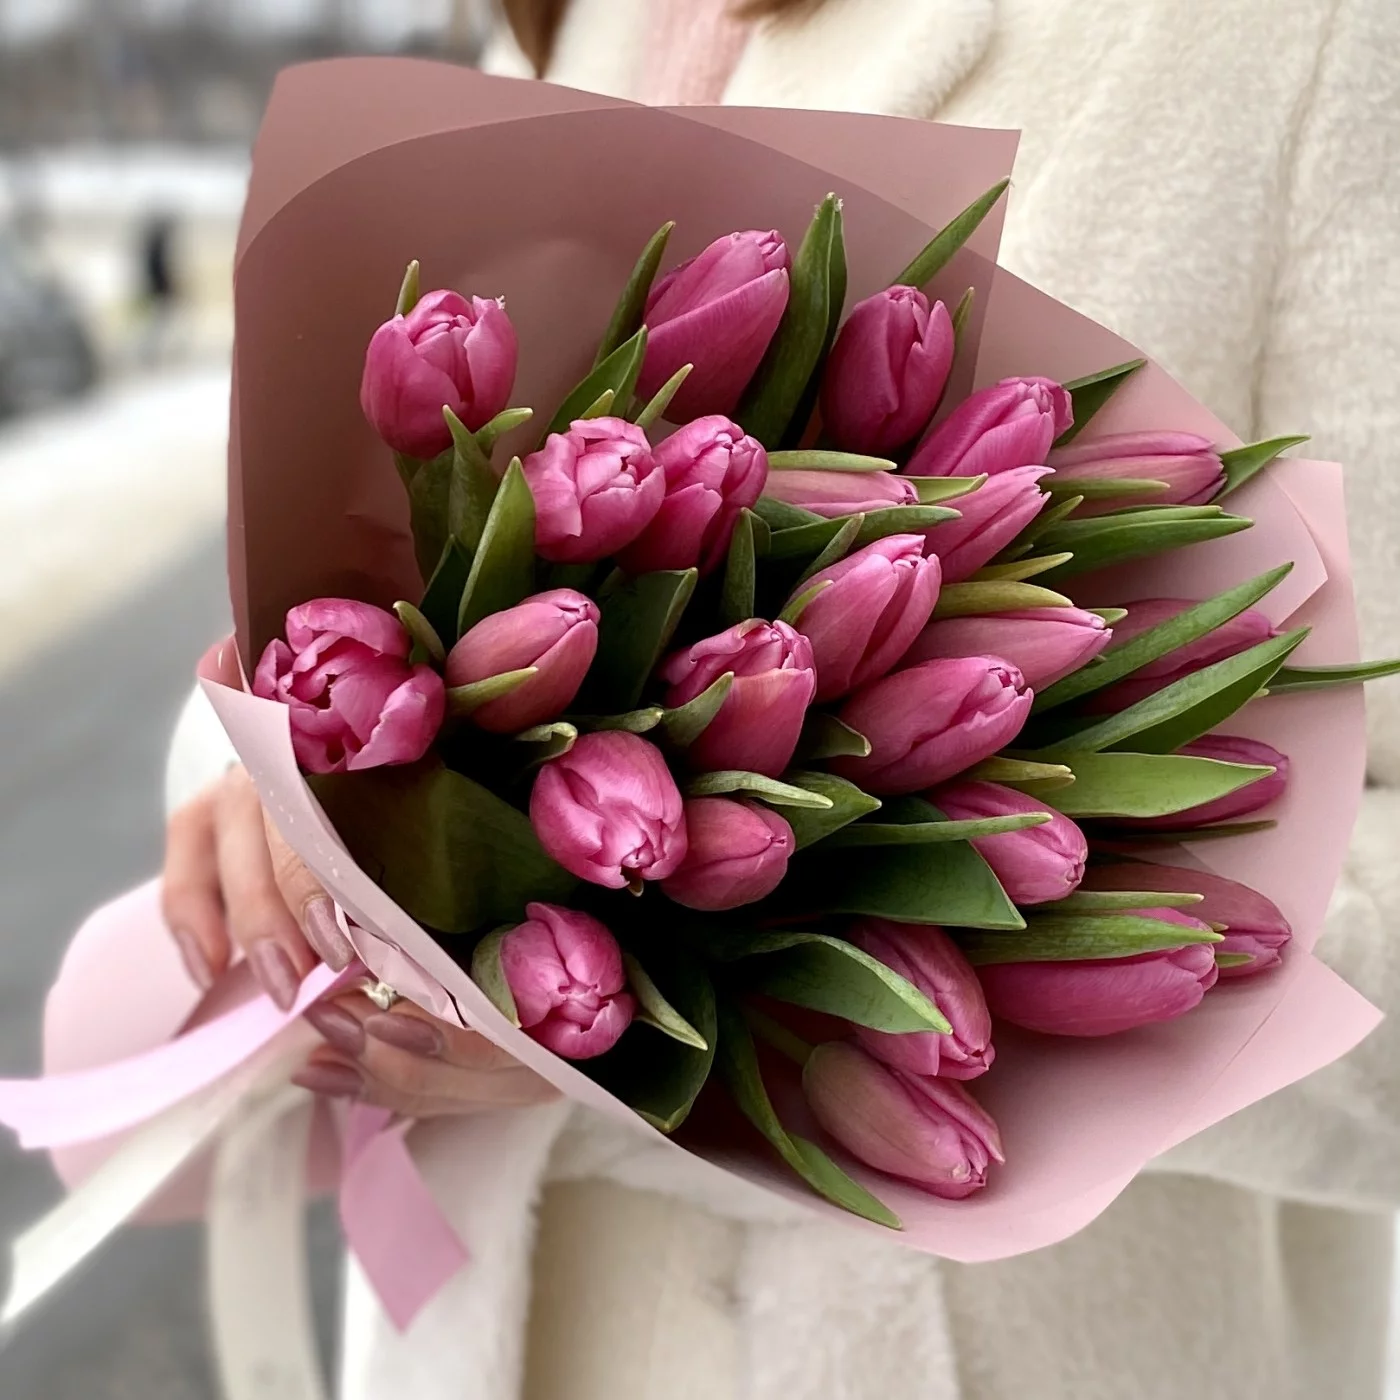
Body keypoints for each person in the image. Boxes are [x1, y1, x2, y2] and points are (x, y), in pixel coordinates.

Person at [157, 1, 1400, 1396]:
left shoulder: (1292, 37)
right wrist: (281, 791)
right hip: (494, 1335)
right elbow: (369, 551)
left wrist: (785, 1011)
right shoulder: (569, 24)